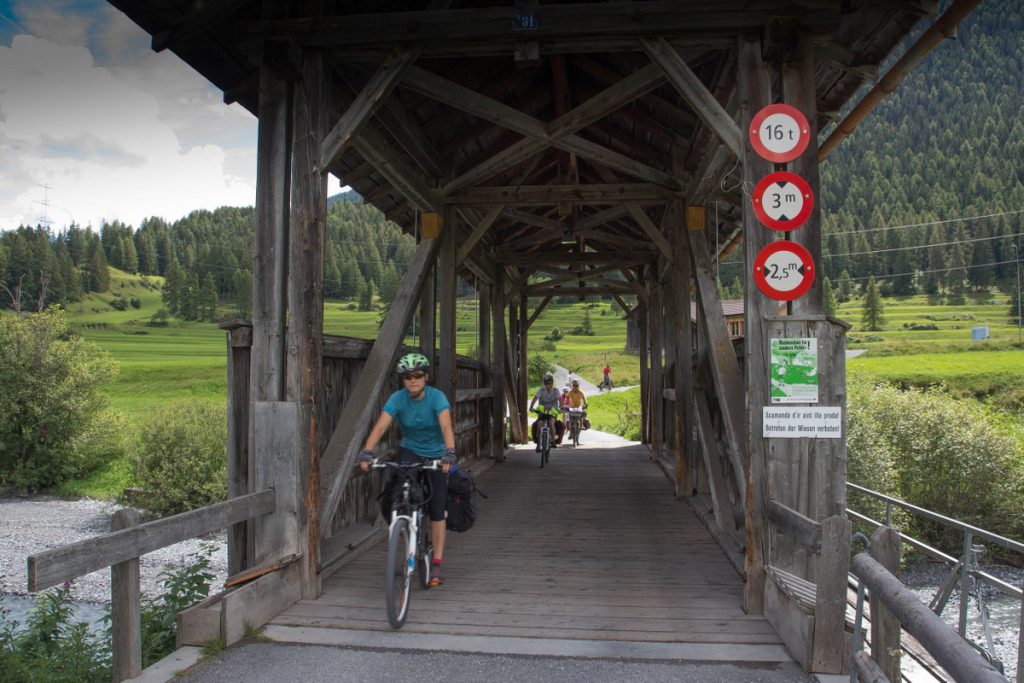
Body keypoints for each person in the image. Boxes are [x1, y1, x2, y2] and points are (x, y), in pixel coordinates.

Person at [358, 353, 456, 586]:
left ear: (426, 377)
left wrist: (449, 452)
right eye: (407, 377)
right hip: (410, 450)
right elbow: (381, 425)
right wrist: (367, 451)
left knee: (437, 508)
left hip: (436, 453)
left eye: (418, 376)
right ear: (402, 380)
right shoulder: (398, 399)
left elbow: (446, 426)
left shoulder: (437, 398)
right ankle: (405, 525)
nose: (413, 380)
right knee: (398, 493)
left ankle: (437, 563)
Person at [528, 373, 563, 448]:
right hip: (542, 412)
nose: (548, 385)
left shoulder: (556, 391)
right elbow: (535, 398)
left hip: (552, 411)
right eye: (546, 383)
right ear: (544, 384)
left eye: (550, 383)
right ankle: (538, 444)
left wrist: (562, 408)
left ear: (552, 384)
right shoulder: (541, 390)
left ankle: (553, 441)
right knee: (539, 424)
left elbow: (561, 400)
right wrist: (531, 407)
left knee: (551, 422)